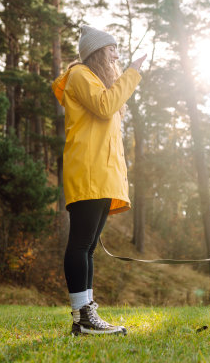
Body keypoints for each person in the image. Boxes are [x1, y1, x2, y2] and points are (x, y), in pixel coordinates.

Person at [52, 25, 146, 336]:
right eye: (111, 50)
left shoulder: (95, 81)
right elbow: (105, 107)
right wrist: (131, 73)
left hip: (103, 176)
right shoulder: (79, 74)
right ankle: (82, 317)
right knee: (80, 245)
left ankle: (87, 315)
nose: (117, 55)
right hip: (89, 173)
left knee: (88, 248)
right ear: (96, 53)